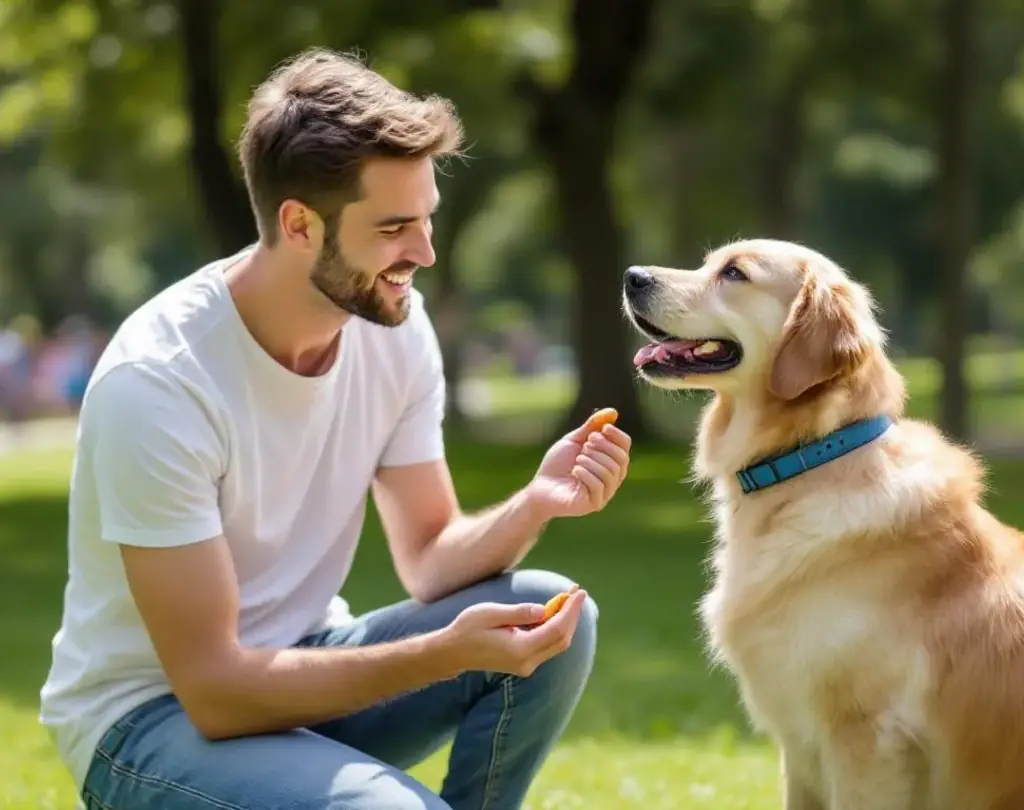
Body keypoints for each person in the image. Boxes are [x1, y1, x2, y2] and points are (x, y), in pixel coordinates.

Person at [39, 47, 632, 810]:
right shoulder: (158, 384)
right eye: (394, 228)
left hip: (309, 664)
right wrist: (439, 656)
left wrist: (536, 502)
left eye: (426, 221)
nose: (423, 254)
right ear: (299, 224)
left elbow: (426, 557)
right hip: (155, 720)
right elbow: (216, 690)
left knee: (555, 617)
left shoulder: (393, 325)